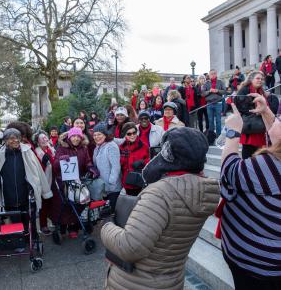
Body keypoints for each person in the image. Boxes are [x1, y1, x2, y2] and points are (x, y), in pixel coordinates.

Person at [101, 127, 220, 290]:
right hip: (171, 279)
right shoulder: (201, 190)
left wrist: (106, 225)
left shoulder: (161, 194)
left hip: (137, 282)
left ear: (168, 153)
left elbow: (131, 247)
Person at [219, 97, 281, 290]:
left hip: (254, 263)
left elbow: (228, 175)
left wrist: (233, 133)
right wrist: (266, 112)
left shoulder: (268, 166)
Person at [0, 128, 52, 244]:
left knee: (29, 218)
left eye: (16, 138)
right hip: (9, 194)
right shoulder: (0, 154)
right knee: (15, 220)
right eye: (11, 138)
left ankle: (33, 238)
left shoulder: (27, 152)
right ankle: (19, 241)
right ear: (5, 140)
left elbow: (37, 171)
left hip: (26, 192)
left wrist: (38, 187)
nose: (14, 140)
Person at [53, 127, 93, 239]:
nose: (76, 138)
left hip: (77, 180)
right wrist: (61, 159)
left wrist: (90, 167)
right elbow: (55, 165)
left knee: (78, 202)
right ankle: (62, 226)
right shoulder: (62, 147)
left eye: (78, 136)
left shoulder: (84, 148)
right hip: (63, 180)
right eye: (73, 136)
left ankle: (74, 227)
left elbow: (87, 161)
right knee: (65, 204)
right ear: (69, 137)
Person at [234, 71, 275, 159]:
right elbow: (240, 105)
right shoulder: (244, 89)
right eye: (257, 78)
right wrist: (255, 110)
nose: (260, 80)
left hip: (260, 127)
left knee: (259, 154)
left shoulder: (261, 91)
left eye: (261, 79)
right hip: (249, 126)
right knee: (248, 153)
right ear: (251, 79)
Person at [92, 123, 122, 212]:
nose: (96, 137)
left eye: (99, 134)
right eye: (94, 135)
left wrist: (111, 182)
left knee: (113, 212)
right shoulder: (97, 147)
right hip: (103, 187)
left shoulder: (111, 146)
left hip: (112, 188)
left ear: (105, 135)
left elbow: (115, 166)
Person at [119, 122, 149, 196]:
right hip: (127, 183)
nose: (132, 135)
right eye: (129, 134)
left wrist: (142, 162)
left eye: (134, 133)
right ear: (125, 135)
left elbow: (151, 160)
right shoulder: (121, 147)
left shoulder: (143, 146)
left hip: (140, 183)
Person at [34, 132, 55, 235]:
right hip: (43, 181)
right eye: (41, 138)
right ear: (37, 141)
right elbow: (35, 169)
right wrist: (42, 162)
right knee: (44, 204)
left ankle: (53, 221)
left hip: (53, 180)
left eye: (45, 137)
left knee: (53, 202)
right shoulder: (36, 152)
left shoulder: (51, 149)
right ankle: (43, 225)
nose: (44, 139)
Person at [202, 69, 226, 136]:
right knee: (210, 121)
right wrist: (209, 91)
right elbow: (203, 94)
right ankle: (211, 136)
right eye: (211, 74)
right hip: (209, 104)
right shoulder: (206, 83)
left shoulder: (220, 82)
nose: (213, 75)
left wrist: (217, 91)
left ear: (216, 74)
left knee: (218, 120)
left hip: (218, 103)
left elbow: (224, 91)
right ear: (209, 75)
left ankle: (218, 135)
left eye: (214, 73)